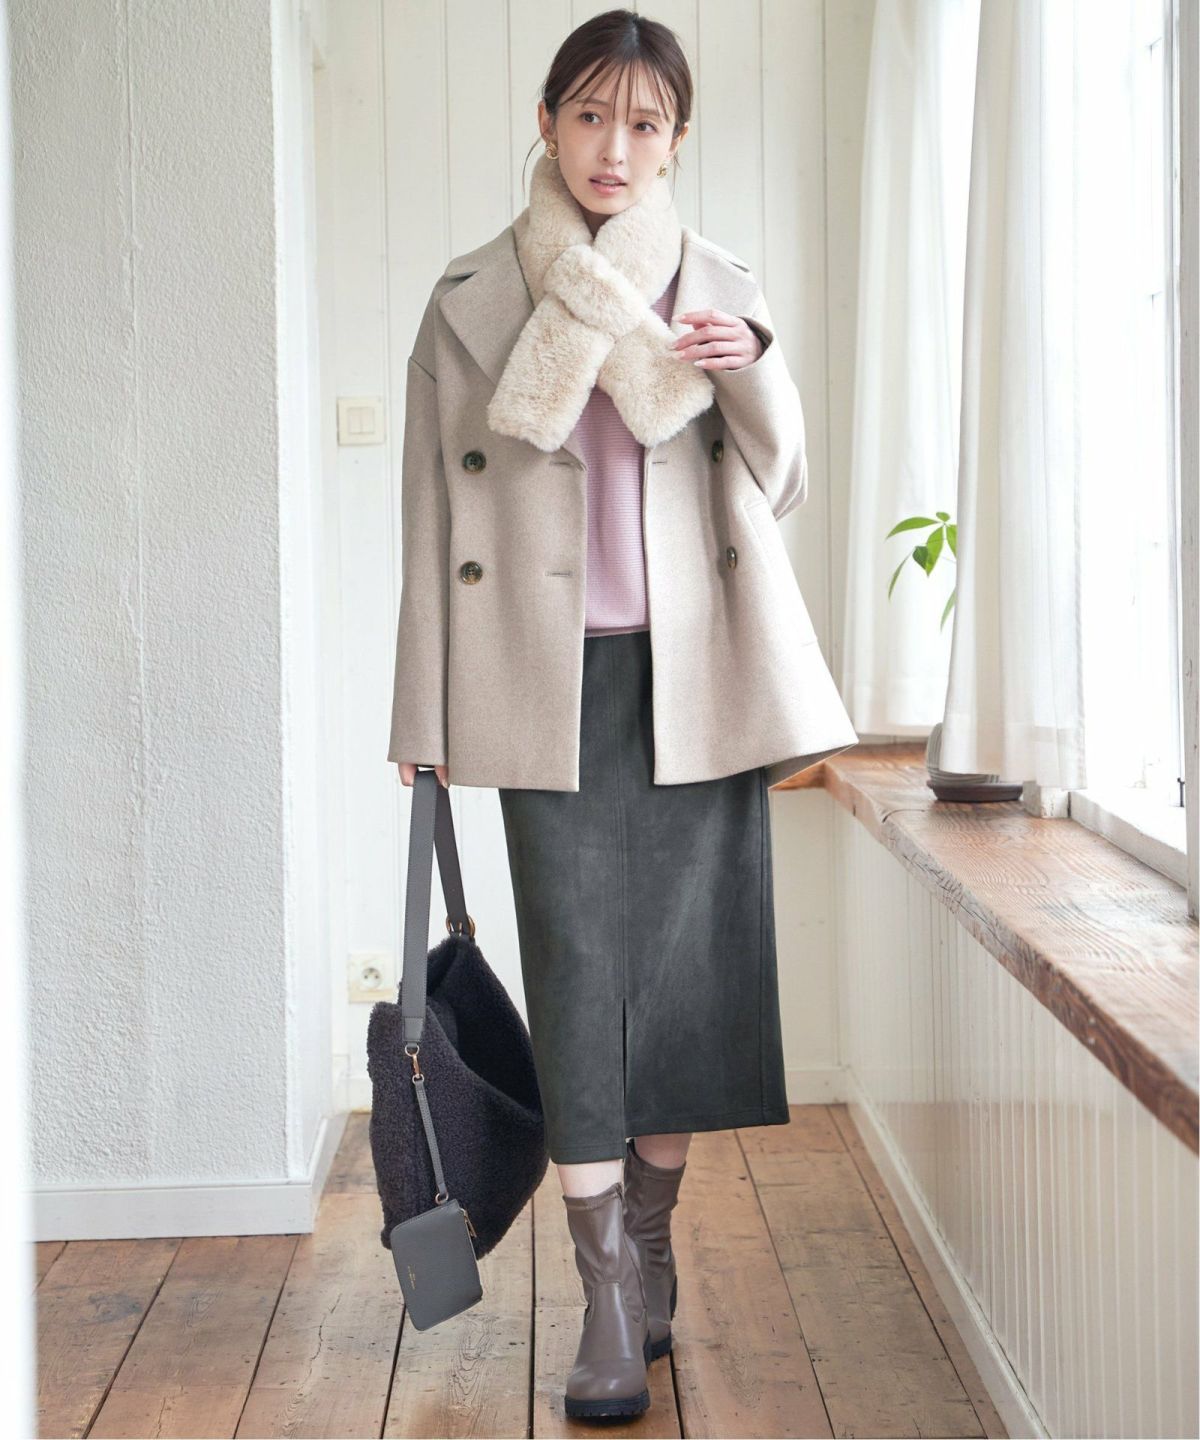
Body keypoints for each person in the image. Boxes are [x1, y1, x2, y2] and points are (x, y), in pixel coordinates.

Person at [390, 6, 858, 1423]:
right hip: (540, 685)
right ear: (546, 121)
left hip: (698, 677)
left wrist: (746, 362)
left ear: (676, 140)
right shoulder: (472, 297)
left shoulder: (717, 288)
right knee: (581, 988)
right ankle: (603, 1294)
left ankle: (647, 1254)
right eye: (590, 114)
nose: (614, 146)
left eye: (644, 123)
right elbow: (426, 519)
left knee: (691, 992)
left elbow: (781, 484)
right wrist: (422, 713)